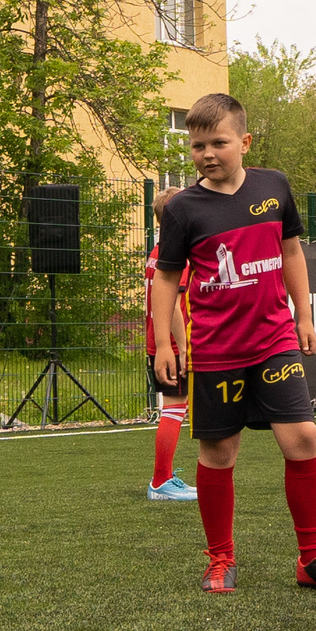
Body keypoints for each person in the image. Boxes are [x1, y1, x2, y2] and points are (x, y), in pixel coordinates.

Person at [148, 93, 316, 594]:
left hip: (274, 342)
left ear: (244, 142)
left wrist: (304, 314)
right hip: (215, 351)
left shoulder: (274, 187)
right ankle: (220, 559)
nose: (207, 153)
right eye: (197, 145)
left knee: (303, 440)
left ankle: (312, 559)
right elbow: (165, 278)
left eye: (219, 143)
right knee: (219, 453)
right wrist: (165, 343)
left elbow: (291, 250)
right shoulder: (182, 209)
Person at [142, 187, 196, 500]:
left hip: (157, 342)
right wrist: (183, 346)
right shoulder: (177, 256)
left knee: (175, 408)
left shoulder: (156, 252)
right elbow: (174, 306)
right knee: (175, 409)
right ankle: (161, 481)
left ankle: (164, 477)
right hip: (172, 347)